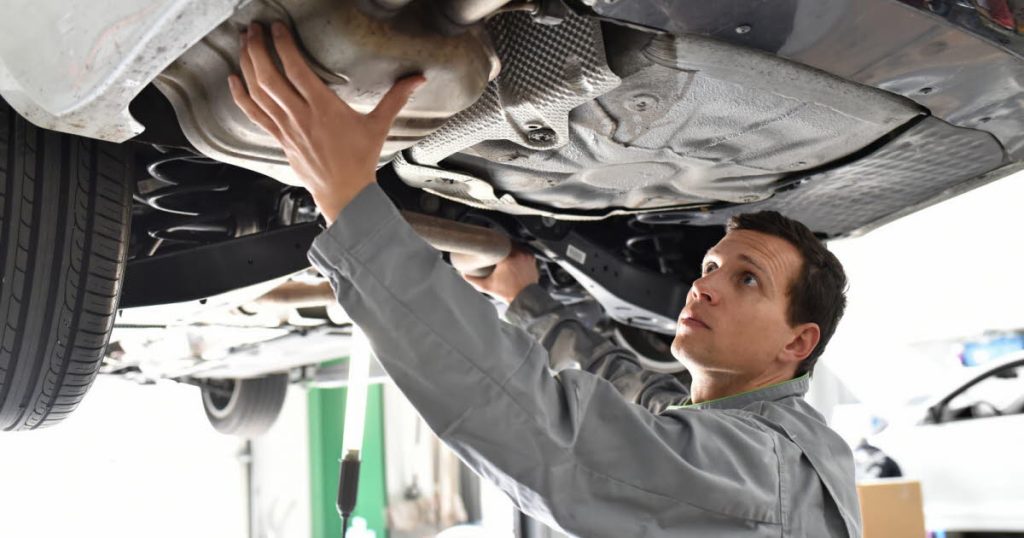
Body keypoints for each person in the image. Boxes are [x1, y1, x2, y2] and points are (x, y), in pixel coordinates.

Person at [229, 22, 862, 537]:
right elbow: (627, 392)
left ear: (797, 344)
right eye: (711, 267)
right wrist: (525, 299)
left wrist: (351, 201)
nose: (704, 286)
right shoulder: (766, 444)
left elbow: (552, 435)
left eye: (747, 280)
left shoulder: (763, 472)